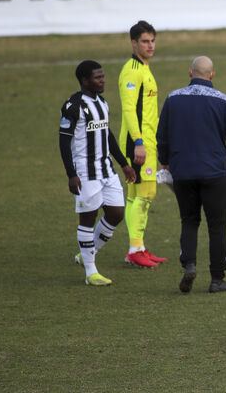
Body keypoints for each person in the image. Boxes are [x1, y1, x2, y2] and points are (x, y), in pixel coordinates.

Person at [157, 56, 226, 293]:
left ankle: (190, 264)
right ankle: (217, 279)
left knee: (189, 220)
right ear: (212, 75)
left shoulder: (173, 98)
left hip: (182, 171)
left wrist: (164, 161)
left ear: (190, 73)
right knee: (217, 225)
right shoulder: (222, 100)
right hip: (214, 171)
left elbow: (162, 134)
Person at [61, 61, 136, 286]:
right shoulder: (73, 106)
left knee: (116, 214)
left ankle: (86, 254)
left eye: (103, 76)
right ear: (85, 80)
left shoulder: (101, 102)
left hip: (106, 169)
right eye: (98, 77)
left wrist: (123, 163)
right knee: (88, 218)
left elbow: (107, 135)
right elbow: (64, 141)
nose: (103, 80)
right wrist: (71, 174)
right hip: (85, 171)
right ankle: (90, 272)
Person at [118, 20, 167, 267]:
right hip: (137, 142)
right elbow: (128, 108)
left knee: (135, 194)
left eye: (152, 41)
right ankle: (135, 249)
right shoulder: (132, 71)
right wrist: (138, 142)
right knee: (146, 192)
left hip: (146, 140)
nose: (150, 45)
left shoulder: (144, 68)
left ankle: (137, 247)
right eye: (145, 41)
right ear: (134, 43)